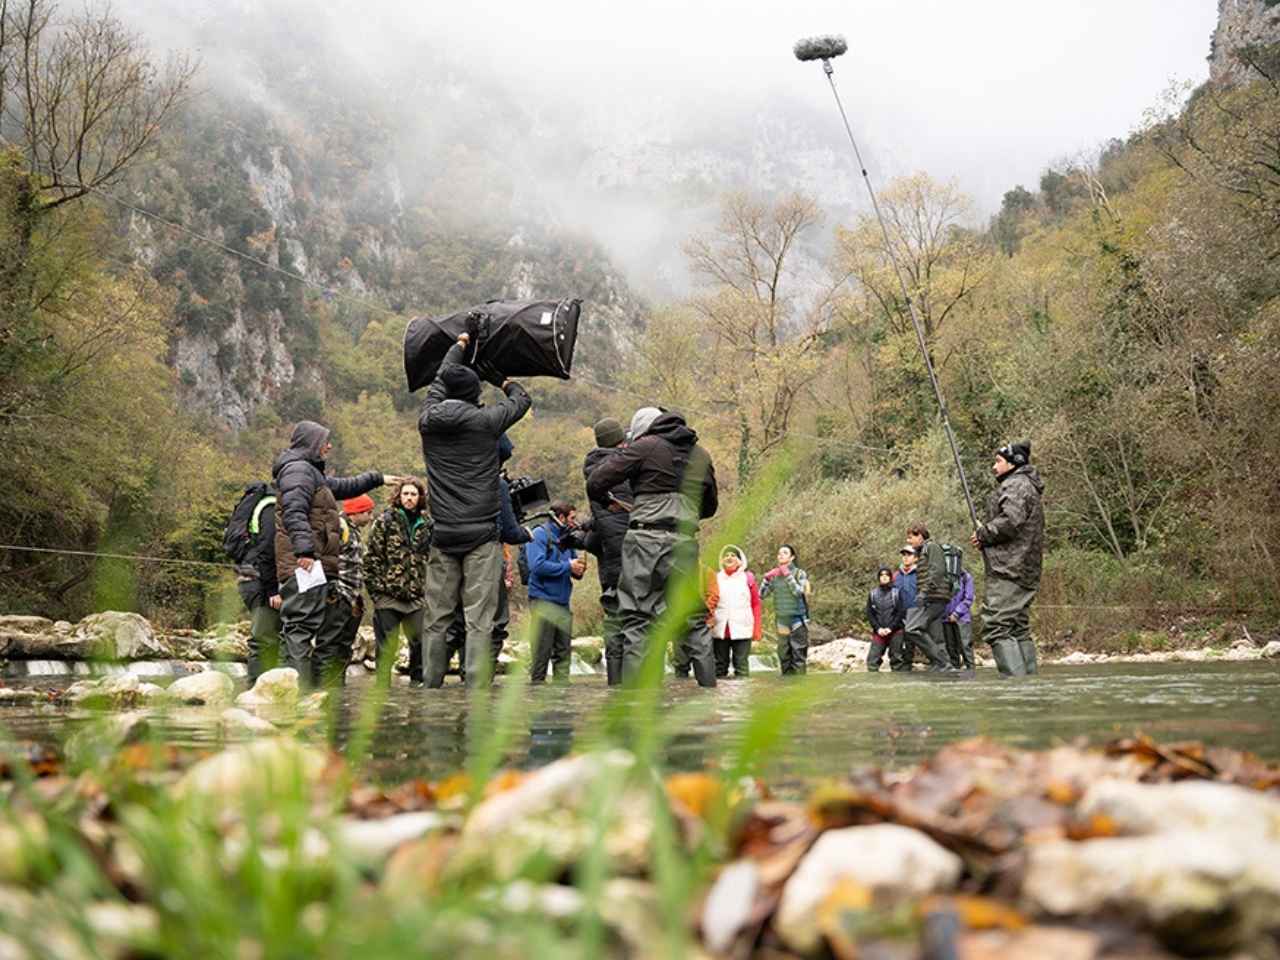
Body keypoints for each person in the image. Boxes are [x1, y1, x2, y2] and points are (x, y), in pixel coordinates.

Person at [418, 332, 532, 688]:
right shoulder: (487, 422)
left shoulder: (428, 420)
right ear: (474, 395)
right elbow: (522, 400)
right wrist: (503, 379)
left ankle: (431, 687)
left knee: (436, 617)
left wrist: (460, 345)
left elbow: (441, 378)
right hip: (481, 534)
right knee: (479, 618)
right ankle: (476, 691)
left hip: (443, 532)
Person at [586, 406, 719, 687]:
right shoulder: (701, 455)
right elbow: (709, 507)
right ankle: (709, 691)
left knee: (637, 616)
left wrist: (608, 501)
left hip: (645, 540)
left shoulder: (645, 446)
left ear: (642, 430)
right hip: (685, 542)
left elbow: (596, 481)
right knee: (693, 618)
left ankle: (636, 698)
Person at [271, 421, 392, 689]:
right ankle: (293, 692)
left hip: (312, 564)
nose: (329, 446)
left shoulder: (310, 472)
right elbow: (294, 511)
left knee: (304, 625)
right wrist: (304, 551)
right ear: (311, 443)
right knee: (300, 627)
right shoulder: (298, 471)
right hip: (303, 564)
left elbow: (345, 486)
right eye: (325, 441)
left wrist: (378, 478)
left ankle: (298, 690)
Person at [444, 434, 532, 681]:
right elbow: (509, 532)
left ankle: (432, 681)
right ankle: (480, 681)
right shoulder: (497, 484)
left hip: (454, 559)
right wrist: (526, 533)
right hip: (486, 559)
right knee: (494, 623)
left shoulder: (452, 479)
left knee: (458, 623)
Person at [971, 440, 1045, 676]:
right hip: (1025, 568)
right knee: (1017, 628)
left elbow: (1011, 521)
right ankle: (1028, 686)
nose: (994, 467)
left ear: (1014, 463)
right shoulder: (1027, 485)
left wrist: (984, 533)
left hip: (1009, 568)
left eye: (998, 461)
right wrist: (987, 538)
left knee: (997, 626)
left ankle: (1015, 688)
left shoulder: (1016, 485)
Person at [364, 477, 431, 683]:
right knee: (387, 649)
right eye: (405, 494)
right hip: (388, 596)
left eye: (413, 494)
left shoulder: (427, 524)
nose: (409, 498)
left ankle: (417, 693)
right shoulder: (385, 521)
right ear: (398, 496)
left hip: (417, 596)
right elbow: (371, 557)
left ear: (420, 497)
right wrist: (376, 593)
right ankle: (382, 693)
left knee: (420, 646)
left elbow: (434, 558)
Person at [581, 417, 632, 685]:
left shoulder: (592, 470)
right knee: (639, 620)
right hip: (637, 556)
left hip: (609, 562)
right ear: (621, 439)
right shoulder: (630, 465)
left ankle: (614, 683)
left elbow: (600, 521)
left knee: (614, 620)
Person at [527, 501, 587, 683]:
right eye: (572, 518)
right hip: (542, 601)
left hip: (563, 602)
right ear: (561, 517)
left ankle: (563, 695)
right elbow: (536, 566)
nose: (574, 522)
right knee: (541, 654)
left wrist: (578, 570)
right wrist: (568, 566)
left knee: (563, 655)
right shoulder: (539, 534)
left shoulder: (567, 538)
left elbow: (571, 565)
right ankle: (536, 694)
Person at [233, 484, 281, 683]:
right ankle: (255, 689)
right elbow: (268, 550)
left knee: (269, 638)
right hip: (260, 582)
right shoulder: (270, 507)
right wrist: (273, 590)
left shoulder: (265, 504)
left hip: (252, 578)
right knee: (263, 639)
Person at [331, 494, 375, 687]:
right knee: (333, 644)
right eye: (368, 512)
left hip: (353, 598)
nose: (371, 517)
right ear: (356, 512)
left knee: (344, 646)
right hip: (340, 596)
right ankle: (328, 687)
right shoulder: (340, 527)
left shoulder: (354, 531)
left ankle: (338, 689)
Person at [903, 523, 954, 671]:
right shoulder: (922, 551)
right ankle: (942, 666)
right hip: (932, 597)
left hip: (934, 597)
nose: (908, 541)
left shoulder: (931, 547)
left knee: (912, 628)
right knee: (936, 636)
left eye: (910, 537)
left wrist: (924, 592)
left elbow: (937, 571)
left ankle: (942, 662)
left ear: (920, 536)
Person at [705, 546, 761, 679]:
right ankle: (720, 692)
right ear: (721, 560)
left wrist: (757, 629)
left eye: (733, 555)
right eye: (726, 555)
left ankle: (742, 692)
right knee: (719, 666)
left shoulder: (748, 578)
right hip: (720, 628)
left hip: (743, 628)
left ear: (740, 560)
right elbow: (710, 601)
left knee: (741, 666)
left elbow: (755, 604)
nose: (729, 558)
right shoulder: (716, 578)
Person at [761, 544, 813, 675]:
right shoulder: (775, 575)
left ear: (792, 557)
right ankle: (786, 684)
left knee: (798, 654)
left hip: (798, 619)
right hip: (782, 620)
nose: (781, 555)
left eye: (785, 553)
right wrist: (766, 579)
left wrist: (787, 575)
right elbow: (761, 595)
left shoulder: (800, 573)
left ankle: (799, 684)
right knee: (783, 655)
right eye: (779, 553)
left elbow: (798, 592)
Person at [865, 565, 905, 672]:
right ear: (878, 578)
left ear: (890, 577)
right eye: (881, 575)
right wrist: (878, 628)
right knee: (872, 660)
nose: (884, 577)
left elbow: (900, 613)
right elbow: (870, 613)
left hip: (896, 631)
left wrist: (890, 628)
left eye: (887, 575)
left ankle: (898, 680)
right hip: (879, 632)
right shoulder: (872, 594)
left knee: (897, 659)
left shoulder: (896, 593)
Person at [890, 546, 918, 672]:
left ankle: (909, 666)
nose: (906, 557)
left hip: (915, 613)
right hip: (898, 615)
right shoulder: (895, 576)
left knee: (911, 642)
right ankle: (898, 669)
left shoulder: (920, 575)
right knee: (897, 642)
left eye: (909, 555)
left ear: (916, 558)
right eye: (904, 555)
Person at [944, 565, 976, 670]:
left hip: (962, 618)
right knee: (951, 650)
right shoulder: (943, 577)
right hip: (946, 618)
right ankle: (954, 675)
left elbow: (968, 598)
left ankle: (971, 673)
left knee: (965, 648)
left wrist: (957, 613)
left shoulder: (966, 577)